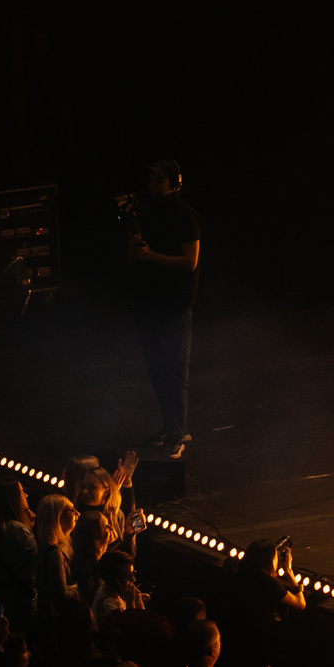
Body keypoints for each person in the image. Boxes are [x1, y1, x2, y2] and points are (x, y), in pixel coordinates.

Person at [119, 157, 201, 456]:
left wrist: (150, 256)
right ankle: (171, 427)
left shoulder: (185, 215)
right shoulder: (146, 212)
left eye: (158, 179)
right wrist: (135, 250)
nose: (152, 185)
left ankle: (177, 433)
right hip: (150, 301)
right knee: (157, 368)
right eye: (151, 179)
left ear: (173, 182)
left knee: (175, 369)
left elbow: (190, 262)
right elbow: (133, 257)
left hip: (175, 303)